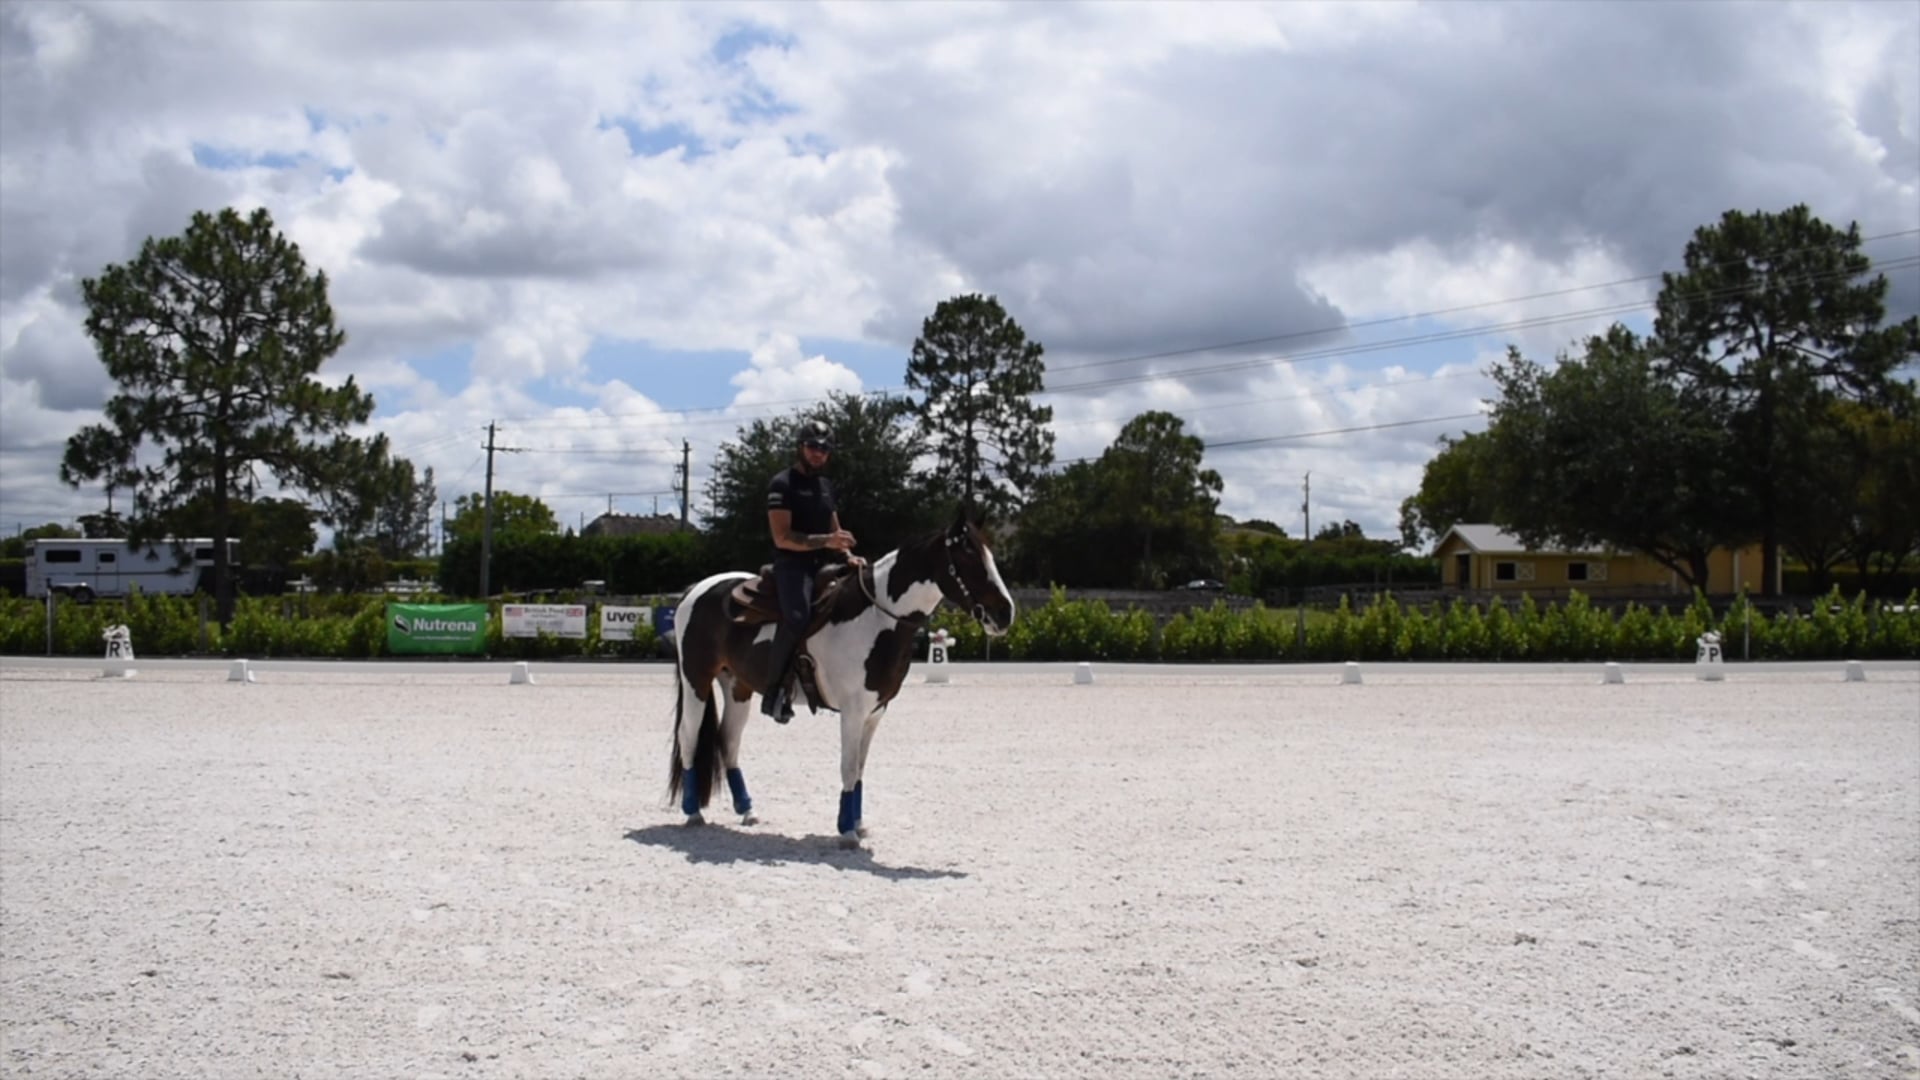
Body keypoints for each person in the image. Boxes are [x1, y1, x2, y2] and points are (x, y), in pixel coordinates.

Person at [761, 420, 864, 722]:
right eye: (813, 446)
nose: (818, 453)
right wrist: (828, 541)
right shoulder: (782, 484)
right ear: (801, 447)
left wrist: (848, 554)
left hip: (825, 563)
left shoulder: (825, 487)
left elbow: (835, 527)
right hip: (792, 564)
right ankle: (774, 691)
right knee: (797, 617)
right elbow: (783, 537)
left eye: (824, 448)